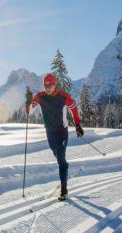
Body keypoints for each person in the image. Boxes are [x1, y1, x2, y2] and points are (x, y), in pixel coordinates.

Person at [25, 73, 84, 201]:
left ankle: (64, 190)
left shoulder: (63, 97)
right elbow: (30, 111)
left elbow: (73, 109)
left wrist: (78, 125)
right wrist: (29, 102)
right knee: (57, 154)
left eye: (49, 85)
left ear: (54, 84)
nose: (47, 88)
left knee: (61, 159)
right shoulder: (40, 97)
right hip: (50, 132)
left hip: (62, 131)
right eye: (45, 85)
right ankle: (64, 166)